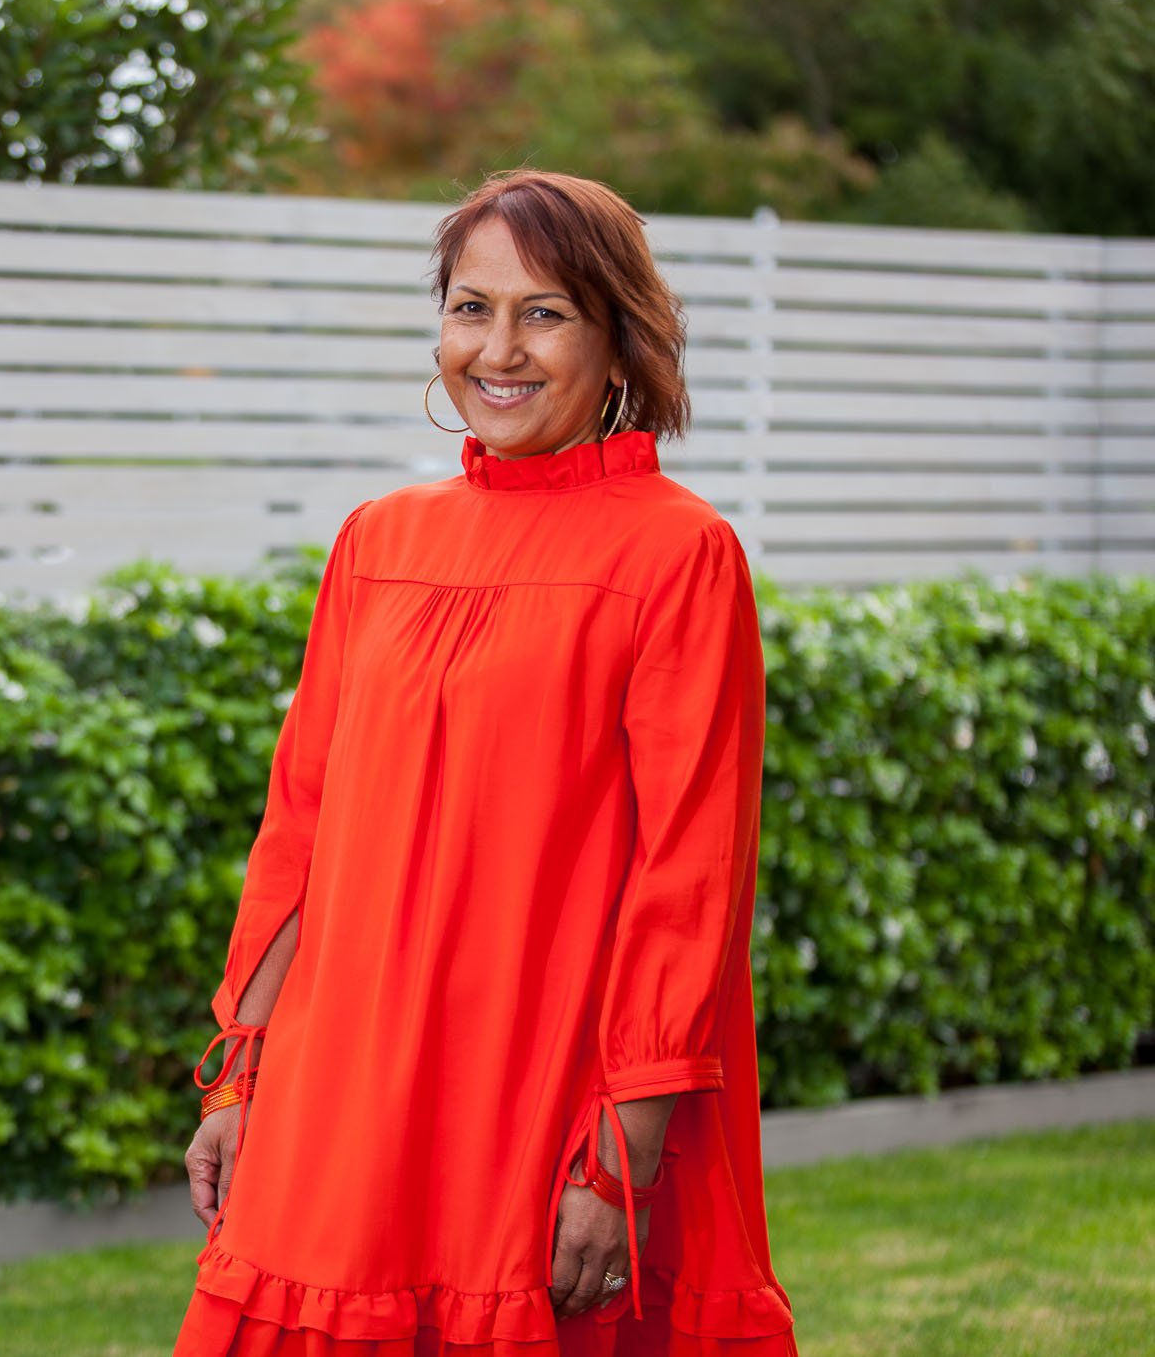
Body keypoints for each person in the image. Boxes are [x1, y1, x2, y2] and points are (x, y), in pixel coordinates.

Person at [171, 169, 799, 1357]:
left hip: (528, 1093)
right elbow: (297, 832)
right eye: (470, 307)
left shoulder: (679, 556)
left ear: (616, 342)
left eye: (545, 312)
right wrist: (236, 1075)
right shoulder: (376, 540)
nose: (496, 349)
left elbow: (686, 884)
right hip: (333, 1091)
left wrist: (620, 1158)